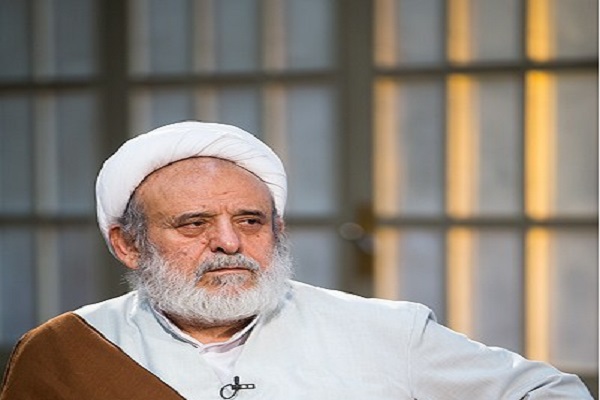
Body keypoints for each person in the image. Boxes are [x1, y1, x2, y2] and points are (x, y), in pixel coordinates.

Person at [0, 121, 592, 400]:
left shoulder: (387, 331)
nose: (229, 243)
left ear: (277, 230)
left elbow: (552, 393)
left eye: (250, 221)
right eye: (194, 224)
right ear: (127, 244)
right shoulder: (67, 352)